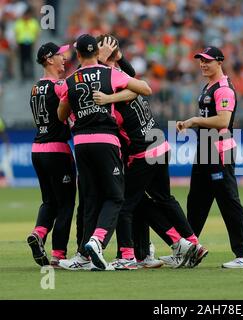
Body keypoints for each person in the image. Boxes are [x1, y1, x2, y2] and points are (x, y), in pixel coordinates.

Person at [92, 35, 207, 269]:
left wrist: (103, 64)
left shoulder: (113, 83)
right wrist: (116, 58)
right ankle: (191, 243)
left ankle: (127, 256)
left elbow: (100, 86)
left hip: (144, 153)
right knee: (161, 199)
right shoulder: (125, 78)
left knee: (124, 204)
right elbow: (135, 84)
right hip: (160, 145)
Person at [57, 34, 152, 270]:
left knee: (90, 199)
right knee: (115, 196)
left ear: (78, 54)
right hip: (106, 141)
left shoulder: (70, 79)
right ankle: (97, 240)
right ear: (97, 53)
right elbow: (144, 89)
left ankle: (82, 256)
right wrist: (111, 97)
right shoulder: (110, 73)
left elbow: (61, 115)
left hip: (81, 143)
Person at [177, 46, 243, 269]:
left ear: (219, 62)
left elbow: (222, 121)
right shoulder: (209, 86)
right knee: (196, 204)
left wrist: (193, 121)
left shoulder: (224, 89)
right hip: (205, 149)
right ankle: (189, 250)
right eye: (201, 60)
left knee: (229, 202)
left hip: (218, 150)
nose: (203, 64)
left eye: (208, 61)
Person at [26, 42, 76, 268]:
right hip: (57, 150)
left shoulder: (35, 87)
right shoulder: (60, 86)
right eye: (60, 55)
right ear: (48, 59)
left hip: (37, 149)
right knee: (65, 204)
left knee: (49, 200)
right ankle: (58, 254)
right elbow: (70, 115)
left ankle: (39, 233)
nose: (64, 58)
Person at [14, 6, 40, 80]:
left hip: (30, 43)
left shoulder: (33, 22)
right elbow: (16, 33)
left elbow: (37, 33)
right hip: (21, 43)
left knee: (30, 59)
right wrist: (17, 43)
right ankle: (23, 75)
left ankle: (31, 74)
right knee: (22, 60)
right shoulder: (19, 22)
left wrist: (35, 42)